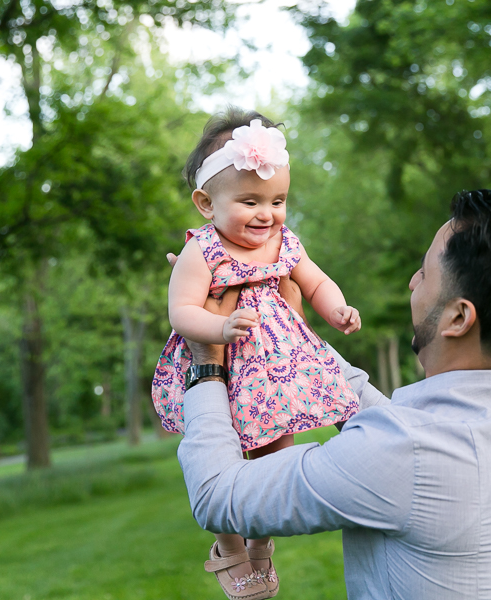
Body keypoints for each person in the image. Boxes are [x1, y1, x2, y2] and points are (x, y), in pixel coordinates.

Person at [177, 189, 491, 599]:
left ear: (458, 317)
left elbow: (217, 495)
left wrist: (207, 360)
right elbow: (392, 427)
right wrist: (292, 337)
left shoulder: (404, 452)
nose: (412, 282)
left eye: (424, 273)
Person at [154, 108, 362, 600]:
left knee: (276, 448)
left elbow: (314, 279)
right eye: (250, 201)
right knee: (217, 448)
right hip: (219, 369)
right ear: (206, 203)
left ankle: (261, 540)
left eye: (278, 200)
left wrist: (336, 309)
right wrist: (220, 327)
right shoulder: (200, 251)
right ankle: (229, 544)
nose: (267, 214)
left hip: (274, 373)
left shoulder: (283, 242)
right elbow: (182, 311)